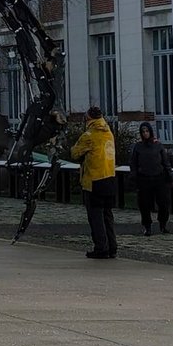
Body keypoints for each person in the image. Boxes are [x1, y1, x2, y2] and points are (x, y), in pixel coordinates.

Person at [70, 104, 116, 259]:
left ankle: (101, 247)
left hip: (94, 180)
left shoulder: (89, 135)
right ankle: (112, 247)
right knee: (107, 215)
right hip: (110, 177)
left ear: (88, 118)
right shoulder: (109, 132)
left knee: (95, 216)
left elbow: (75, 153)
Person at [131, 120, 173, 235]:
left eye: (147, 131)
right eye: (143, 131)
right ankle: (147, 226)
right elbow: (133, 163)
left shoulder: (158, 145)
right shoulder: (138, 147)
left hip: (159, 178)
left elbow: (165, 162)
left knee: (163, 203)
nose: (145, 133)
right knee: (144, 204)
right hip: (144, 179)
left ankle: (163, 224)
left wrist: (169, 176)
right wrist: (134, 177)